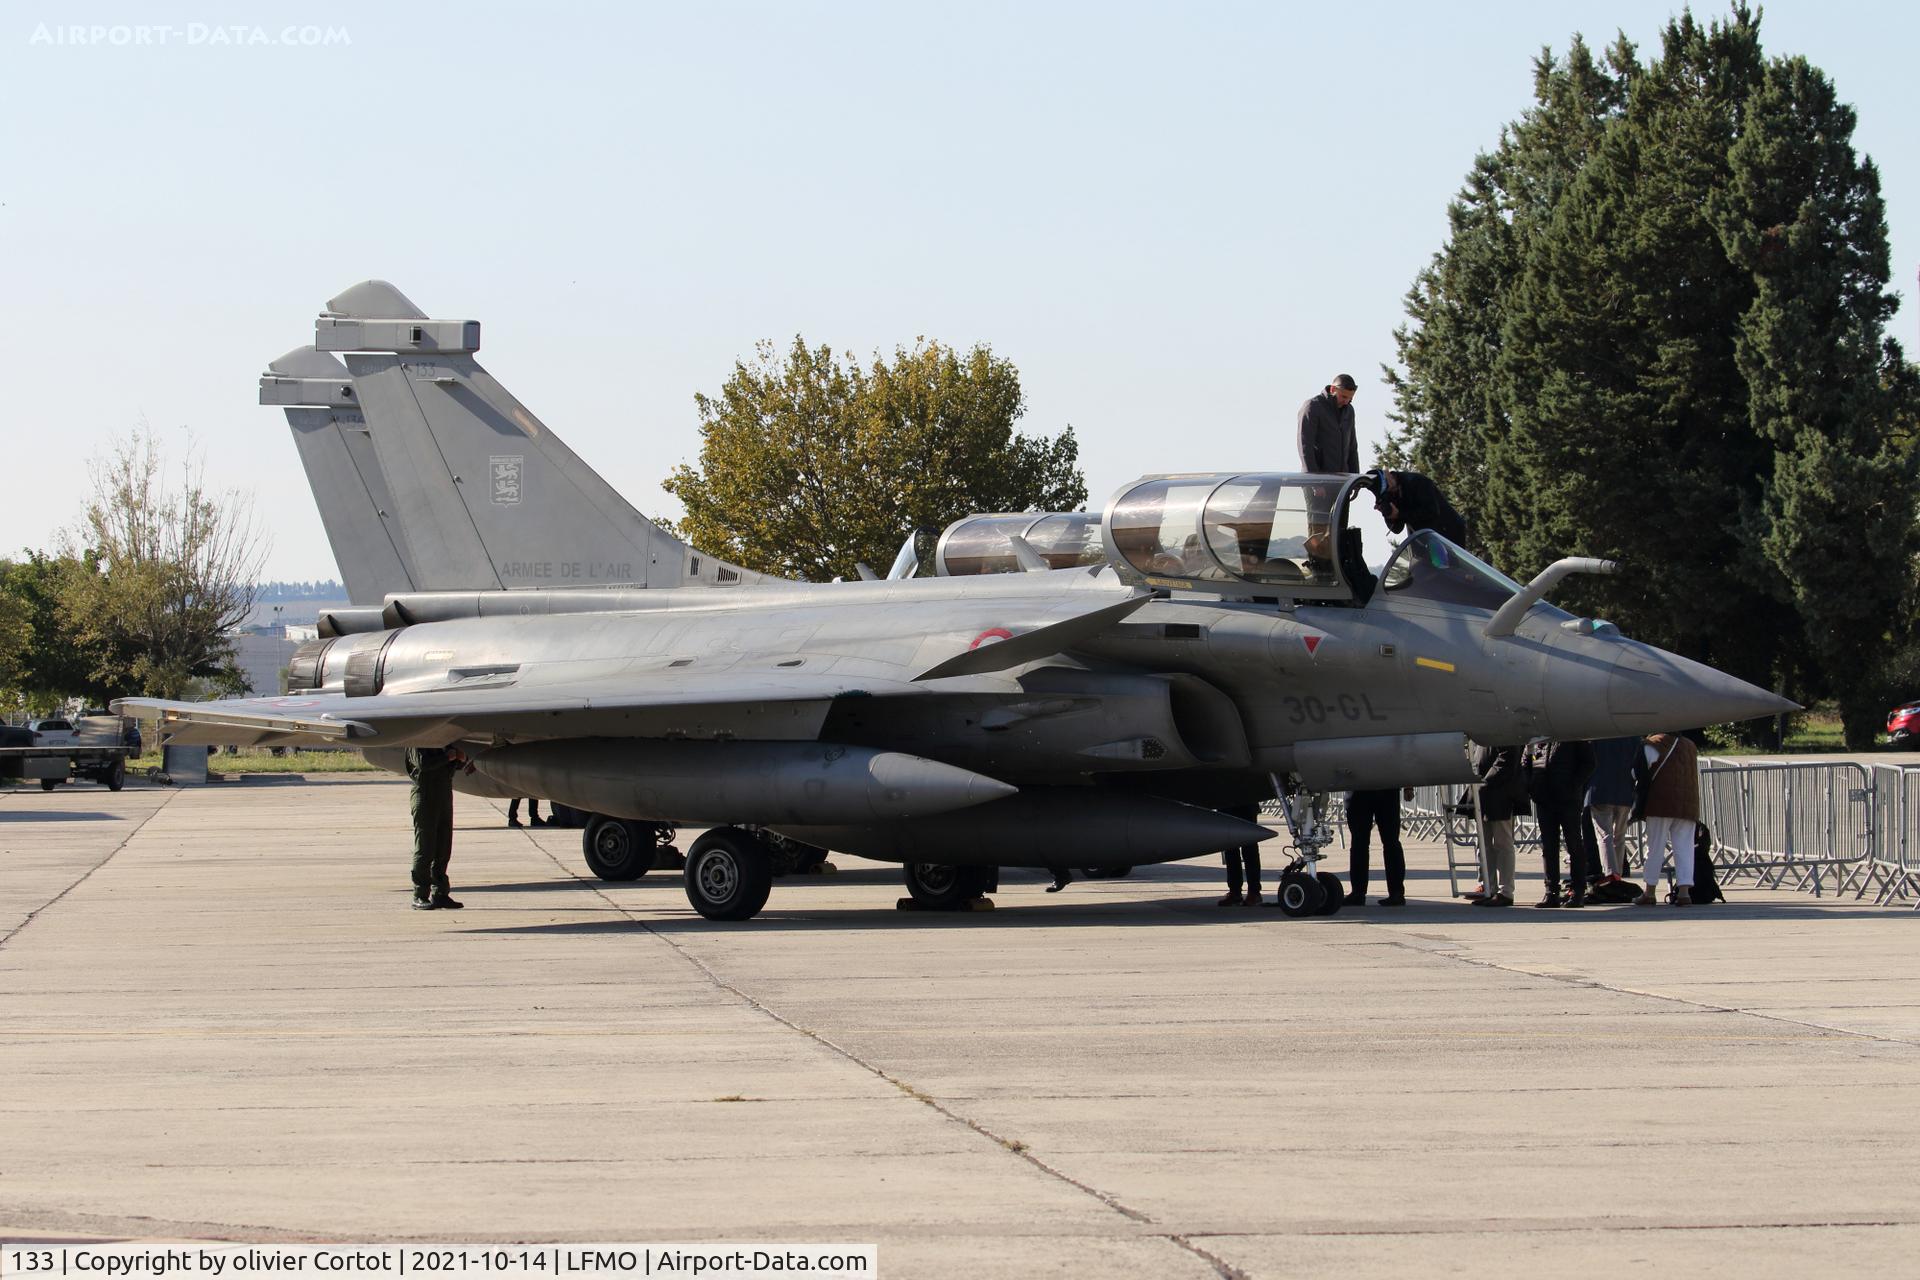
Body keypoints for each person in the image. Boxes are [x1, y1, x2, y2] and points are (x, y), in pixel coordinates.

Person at [1524, 738, 1595, 907]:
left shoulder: (1572, 735)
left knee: (1574, 844)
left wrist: (1573, 786)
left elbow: (1589, 763)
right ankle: (1551, 892)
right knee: (1549, 846)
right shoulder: (1538, 738)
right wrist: (1531, 786)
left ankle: (1578, 891)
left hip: (1568, 799)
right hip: (1544, 797)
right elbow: (1526, 761)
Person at [1634, 731, 1701, 906]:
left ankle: (1649, 892)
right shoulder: (1689, 745)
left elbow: (1638, 771)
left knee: (1655, 847)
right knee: (1685, 848)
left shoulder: (1655, 743)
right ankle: (1684, 893)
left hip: (1660, 803)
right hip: (1688, 805)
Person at [407, 744, 470, 910]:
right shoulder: (418, 740)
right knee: (425, 848)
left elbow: (455, 764)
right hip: (425, 793)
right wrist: (448, 757)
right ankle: (419, 894)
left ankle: (440, 893)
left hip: (444, 792)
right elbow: (423, 764)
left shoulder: (445, 741)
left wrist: (461, 758)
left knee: (443, 847)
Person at [1469, 743, 1526, 907]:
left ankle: (1505, 891)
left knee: (1503, 843)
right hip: (1483, 793)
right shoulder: (1481, 738)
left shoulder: (1504, 732)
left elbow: (1507, 759)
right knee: (1483, 843)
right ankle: (1489, 887)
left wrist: (1485, 781)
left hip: (1501, 794)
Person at [1583, 736, 1639, 893]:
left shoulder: (1597, 736)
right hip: (1624, 791)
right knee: (1619, 835)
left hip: (1599, 790)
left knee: (1604, 835)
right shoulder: (1632, 738)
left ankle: (1611, 873)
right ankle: (1618, 873)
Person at [1362, 469, 1468, 547]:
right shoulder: (1390, 495)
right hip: (1426, 540)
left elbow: (1431, 511)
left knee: (1448, 572)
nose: (1389, 493)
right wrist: (1389, 515)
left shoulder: (1417, 482)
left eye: (1388, 490)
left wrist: (1399, 514)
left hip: (1447, 534)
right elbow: (1397, 529)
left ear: (1389, 476)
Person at [1345, 786, 1411, 906]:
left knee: (1363, 844)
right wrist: (1408, 787)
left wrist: (1408, 786)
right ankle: (1395, 893)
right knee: (1384, 843)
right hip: (1378, 788)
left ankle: (1359, 893)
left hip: (1370, 788)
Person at [1297, 374, 1360, 474]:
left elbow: (1352, 448)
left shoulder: (1349, 411)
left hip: (1343, 481)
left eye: (1350, 398)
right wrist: (1315, 482)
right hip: (1317, 479)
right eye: (1343, 397)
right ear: (1332, 389)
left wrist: (1355, 479)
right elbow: (1305, 447)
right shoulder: (1312, 407)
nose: (1346, 402)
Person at [1219, 803, 1263, 906]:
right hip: (1226, 804)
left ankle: (1254, 892)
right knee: (1230, 847)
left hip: (1246, 802)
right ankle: (1235, 891)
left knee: (1249, 847)